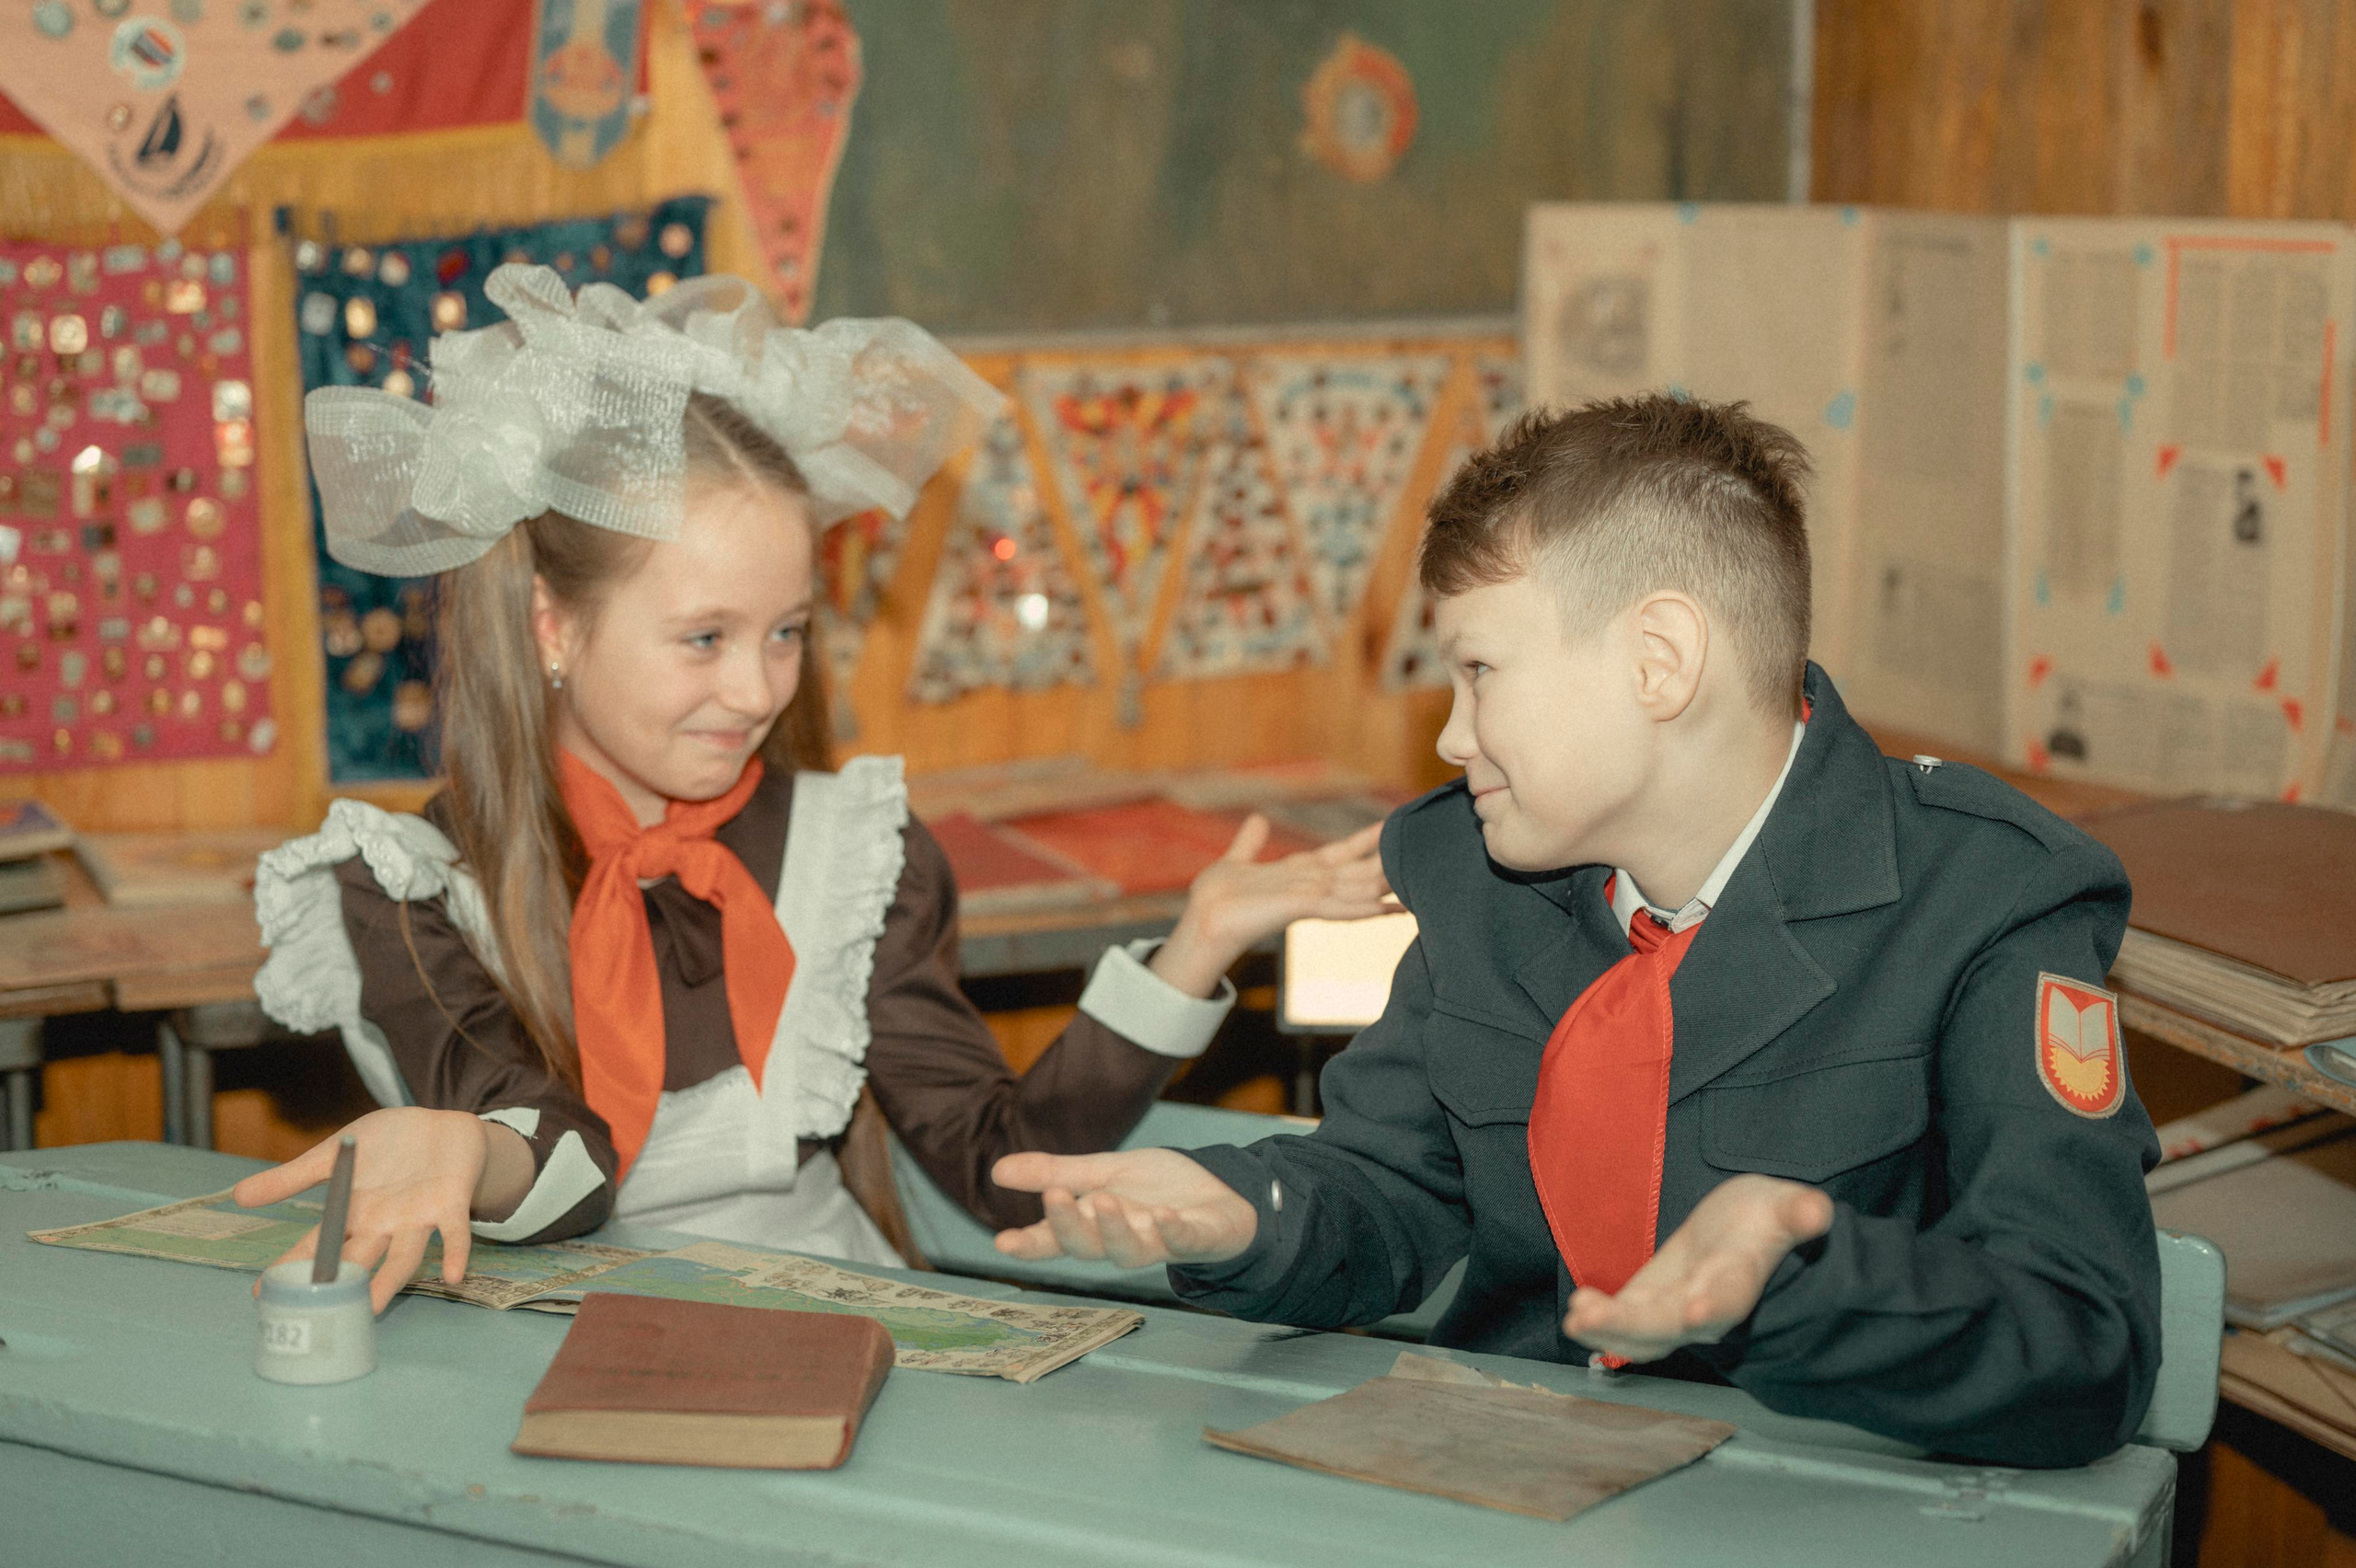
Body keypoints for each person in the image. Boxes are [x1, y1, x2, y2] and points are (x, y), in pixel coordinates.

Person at [990, 395, 2164, 1468]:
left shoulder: (1981, 895)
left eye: (1480, 671)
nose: (1451, 741)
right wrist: (1246, 1215)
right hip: (1508, 1488)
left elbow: (2083, 1348)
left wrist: (1803, 1283)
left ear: (1658, 662)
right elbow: (1393, 1191)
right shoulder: (1477, 876)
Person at [234, 265, 1390, 1310]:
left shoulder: (853, 857)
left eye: (786, 632)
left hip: (834, 1322)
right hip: (552, 1340)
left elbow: (1000, 1173)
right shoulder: (403, 886)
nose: (754, 691)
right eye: (702, 638)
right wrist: (458, 1148)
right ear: (552, 626)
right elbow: (564, 1166)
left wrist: (1195, 943)